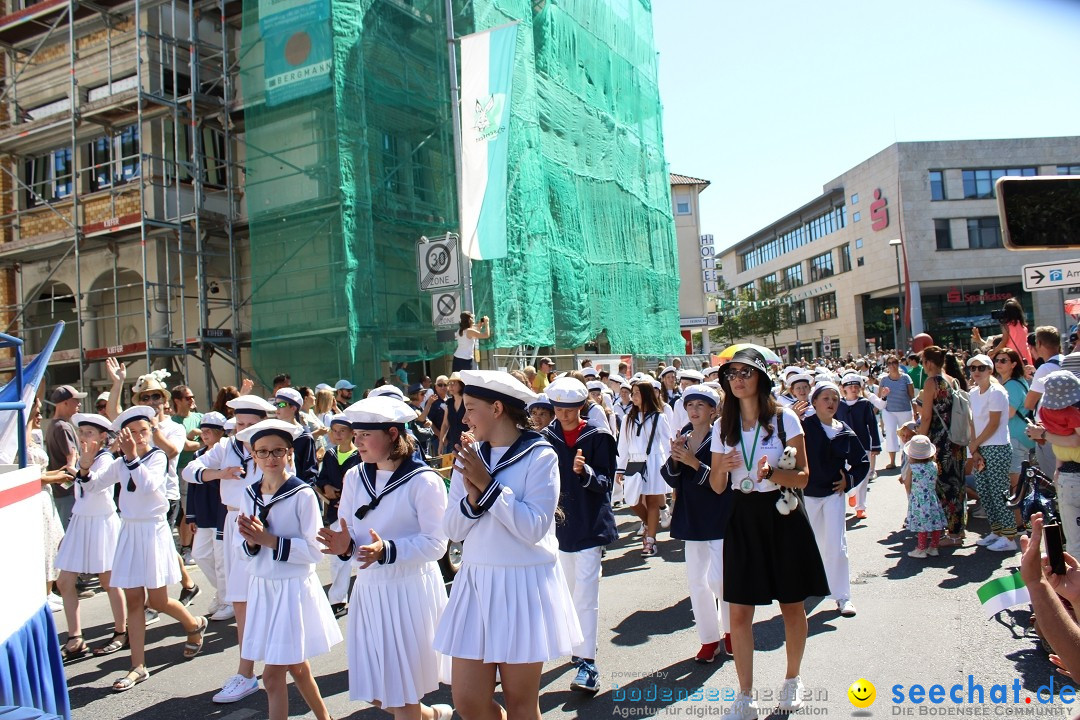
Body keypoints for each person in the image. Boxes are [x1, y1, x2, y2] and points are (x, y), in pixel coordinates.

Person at [434, 370, 581, 720]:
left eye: (470, 408)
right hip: (476, 582)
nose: (464, 418)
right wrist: (471, 503)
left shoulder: (540, 455)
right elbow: (451, 528)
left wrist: (488, 488)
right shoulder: (468, 455)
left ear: (497, 408)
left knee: (521, 703)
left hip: (522, 585)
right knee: (468, 702)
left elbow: (532, 528)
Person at [708, 348, 829, 720]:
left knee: (792, 605)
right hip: (742, 517)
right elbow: (715, 486)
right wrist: (724, 467)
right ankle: (745, 696)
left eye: (746, 372)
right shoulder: (721, 426)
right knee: (739, 613)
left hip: (782, 513)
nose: (738, 379)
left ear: (761, 377)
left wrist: (771, 474)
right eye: (731, 374)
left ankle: (792, 679)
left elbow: (804, 477)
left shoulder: (783, 419)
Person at [317, 397, 453, 720]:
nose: (357, 441)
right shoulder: (354, 477)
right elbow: (352, 535)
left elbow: (437, 544)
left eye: (365, 435)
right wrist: (344, 547)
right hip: (369, 589)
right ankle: (432, 716)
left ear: (392, 433)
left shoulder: (424, 481)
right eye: (356, 434)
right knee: (377, 691)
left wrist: (388, 550)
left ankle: (425, 715)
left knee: (400, 691)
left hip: (408, 592)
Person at [95, 406, 208, 692]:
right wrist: (86, 464)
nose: (138, 438)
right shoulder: (121, 462)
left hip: (153, 531)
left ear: (151, 432)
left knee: (157, 601)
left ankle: (193, 624)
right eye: (131, 434)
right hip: (130, 531)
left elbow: (149, 485)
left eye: (143, 432)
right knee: (135, 601)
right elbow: (95, 484)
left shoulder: (157, 457)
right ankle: (137, 666)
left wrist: (132, 456)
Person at [235, 419, 341, 720]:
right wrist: (253, 544)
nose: (270, 458)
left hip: (292, 590)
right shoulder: (249, 493)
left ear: (290, 453)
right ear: (253, 456)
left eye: (277, 451)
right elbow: (242, 549)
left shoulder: (302, 494)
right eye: (263, 452)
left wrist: (268, 540)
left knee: (270, 677)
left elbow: (314, 551)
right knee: (297, 666)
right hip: (264, 588)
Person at [182, 392, 274, 704]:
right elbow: (190, 471)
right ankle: (246, 672)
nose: (243, 430)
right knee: (241, 601)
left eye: (251, 424)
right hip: (235, 524)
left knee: (275, 600)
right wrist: (219, 473)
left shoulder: (273, 448)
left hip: (268, 526)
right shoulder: (225, 447)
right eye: (239, 424)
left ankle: (283, 666)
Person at [541, 377, 618, 694]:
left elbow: (606, 482)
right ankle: (576, 645)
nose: (564, 414)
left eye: (570, 409)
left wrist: (585, 473)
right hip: (557, 529)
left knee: (586, 593)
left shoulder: (598, 436)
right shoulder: (544, 439)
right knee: (567, 592)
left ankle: (588, 663)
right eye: (558, 408)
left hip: (590, 525)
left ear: (581, 407)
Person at [661, 383, 733, 663]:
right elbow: (670, 478)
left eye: (701, 405)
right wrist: (676, 457)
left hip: (718, 515)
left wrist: (692, 463)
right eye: (690, 405)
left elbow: (721, 482)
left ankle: (730, 632)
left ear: (713, 410)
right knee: (697, 581)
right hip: (691, 516)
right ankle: (708, 639)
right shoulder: (685, 435)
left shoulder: (723, 436)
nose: (694, 410)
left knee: (721, 579)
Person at [54, 412, 127, 660]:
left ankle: (121, 631)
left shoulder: (106, 459)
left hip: (101, 523)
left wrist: (81, 466)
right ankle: (75, 637)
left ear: (102, 436)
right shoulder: (84, 458)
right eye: (81, 433)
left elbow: (94, 484)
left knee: (109, 581)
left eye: (89, 433)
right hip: (81, 521)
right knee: (64, 581)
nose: (84, 437)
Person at [802, 382, 867, 617]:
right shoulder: (803, 426)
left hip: (833, 495)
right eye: (825, 398)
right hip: (808, 494)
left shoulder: (845, 432)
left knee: (837, 546)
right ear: (815, 402)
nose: (831, 403)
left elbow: (862, 463)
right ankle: (811, 586)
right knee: (810, 544)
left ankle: (842, 596)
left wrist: (848, 481)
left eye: (835, 399)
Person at [917, 346, 969, 546]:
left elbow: (927, 416)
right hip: (956, 438)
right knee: (957, 485)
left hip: (940, 441)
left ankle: (953, 534)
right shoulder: (952, 380)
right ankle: (959, 530)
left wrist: (919, 441)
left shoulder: (932, 382)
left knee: (944, 487)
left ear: (929, 363)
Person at [615, 377, 672, 558]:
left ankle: (650, 541)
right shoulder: (627, 418)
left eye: (637, 392)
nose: (634, 396)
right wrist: (620, 468)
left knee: (653, 500)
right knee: (632, 499)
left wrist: (670, 467)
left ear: (647, 394)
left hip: (655, 461)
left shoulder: (659, 417)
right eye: (633, 393)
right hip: (634, 461)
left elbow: (666, 443)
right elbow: (622, 445)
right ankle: (649, 523)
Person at [966, 354, 1017, 552]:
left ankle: (1009, 536)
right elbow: (973, 422)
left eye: (981, 368)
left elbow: (994, 423)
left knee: (999, 492)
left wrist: (975, 444)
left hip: (997, 447)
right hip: (980, 447)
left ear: (989, 370)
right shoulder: (973, 393)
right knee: (985, 493)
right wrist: (975, 446)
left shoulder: (997, 392)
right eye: (973, 368)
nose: (976, 372)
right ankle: (996, 531)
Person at [187, 412, 232, 621]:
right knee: (200, 554)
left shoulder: (226, 454)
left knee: (222, 559)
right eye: (202, 432)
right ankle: (223, 591)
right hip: (204, 512)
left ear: (219, 433)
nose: (204, 436)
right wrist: (191, 516)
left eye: (208, 432)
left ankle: (228, 600)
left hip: (221, 512)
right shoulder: (199, 457)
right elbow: (193, 486)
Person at [314, 414, 361, 618]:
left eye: (343, 431)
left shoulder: (360, 455)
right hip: (335, 511)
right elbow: (321, 477)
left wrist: (349, 498)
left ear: (352, 433)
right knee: (337, 557)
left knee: (359, 553)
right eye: (335, 431)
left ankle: (361, 593)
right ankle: (338, 598)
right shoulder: (330, 454)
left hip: (357, 511)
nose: (338, 434)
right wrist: (326, 486)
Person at [994, 347, 1034, 533]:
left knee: (1015, 485)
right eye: (997, 360)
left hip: (1016, 437)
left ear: (1014, 364)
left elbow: (1008, 413)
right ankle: (1021, 523)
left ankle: (1020, 525)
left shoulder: (1011, 385)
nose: (998, 363)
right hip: (1019, 436)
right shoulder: (1016, 382)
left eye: (1003, 360)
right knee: (1017, 483)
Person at [836, 374, 880, 519]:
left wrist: (875, 445)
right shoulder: (838, 404)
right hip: (843, 446)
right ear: (844, 389)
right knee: (845, 472)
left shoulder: (865, 404)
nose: (853, 389)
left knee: (863, 474)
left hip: (863, 444)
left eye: (856, 387)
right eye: (850, 387)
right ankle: (851, 493)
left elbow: (872, 425)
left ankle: (860, 507)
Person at [170, 385, 203, 565]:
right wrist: (201, 442)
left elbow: (213, 435)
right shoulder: (173, 422)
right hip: (183, 470)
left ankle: (195, 546)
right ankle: (186, 548)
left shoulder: (200, 417)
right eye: (187, 398)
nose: (192, 400)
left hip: (203, 470)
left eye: (192, 397)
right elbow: (185, 446)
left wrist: (195, 438)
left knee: (199, 509)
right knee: (188, 511)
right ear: (177, 401)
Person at [1025, 326, 1064, 475]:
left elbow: (1028, 403)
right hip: (1066, 428)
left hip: (1047, 431)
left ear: (1039, 343)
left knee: (1053, 478)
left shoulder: (1045, 368)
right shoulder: (1066, 361)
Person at [45, 384, 84, 529]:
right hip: (69, 492)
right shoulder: (63, 427)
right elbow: (72, 461)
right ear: (65, 403)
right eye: (76, 400)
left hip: (62, 492)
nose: (79, 404)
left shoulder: (54, 425)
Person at [903, 435, 947, 558]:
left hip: (918, 499)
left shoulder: (912, 468)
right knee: (935, 522)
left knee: (922, 524)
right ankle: (934, 547)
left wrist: (910, 493)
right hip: (932, 497)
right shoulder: (933, 465)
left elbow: (907, 484)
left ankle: (921, 549)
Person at [271, 387, 319, 485]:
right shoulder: (272, 433)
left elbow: (309, 472)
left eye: (281, 404)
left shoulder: (305, 437)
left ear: (293, 408)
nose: (277, 408)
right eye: (275, 404)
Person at [877, 355, 916, 468]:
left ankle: (907, 460)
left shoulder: (906, 378)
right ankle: (892, 461)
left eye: (894, 362)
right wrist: (884, 394)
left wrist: (916, 412)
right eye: (889, 363)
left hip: (905, 410)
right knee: (890, 434)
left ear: (898, 363)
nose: (892, 365)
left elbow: (911, 396)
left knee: (906, 435)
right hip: (889, 411)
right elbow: (880, 397)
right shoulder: (884, 380)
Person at [972, 298, 1033, 366]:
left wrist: (994, 351)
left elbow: (1004, 341)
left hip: (1012, 355)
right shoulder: (1023, 325)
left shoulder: (1007, 325)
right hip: (1025, 354)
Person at [439, 373, 467, 455]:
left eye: (454, 383)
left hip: (468, 442)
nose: (450, 386)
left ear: (461, 385)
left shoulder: (467, 401)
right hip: (454, 442)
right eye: (449, 383)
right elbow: (445, 424)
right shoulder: (449, 402)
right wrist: (441, 441)